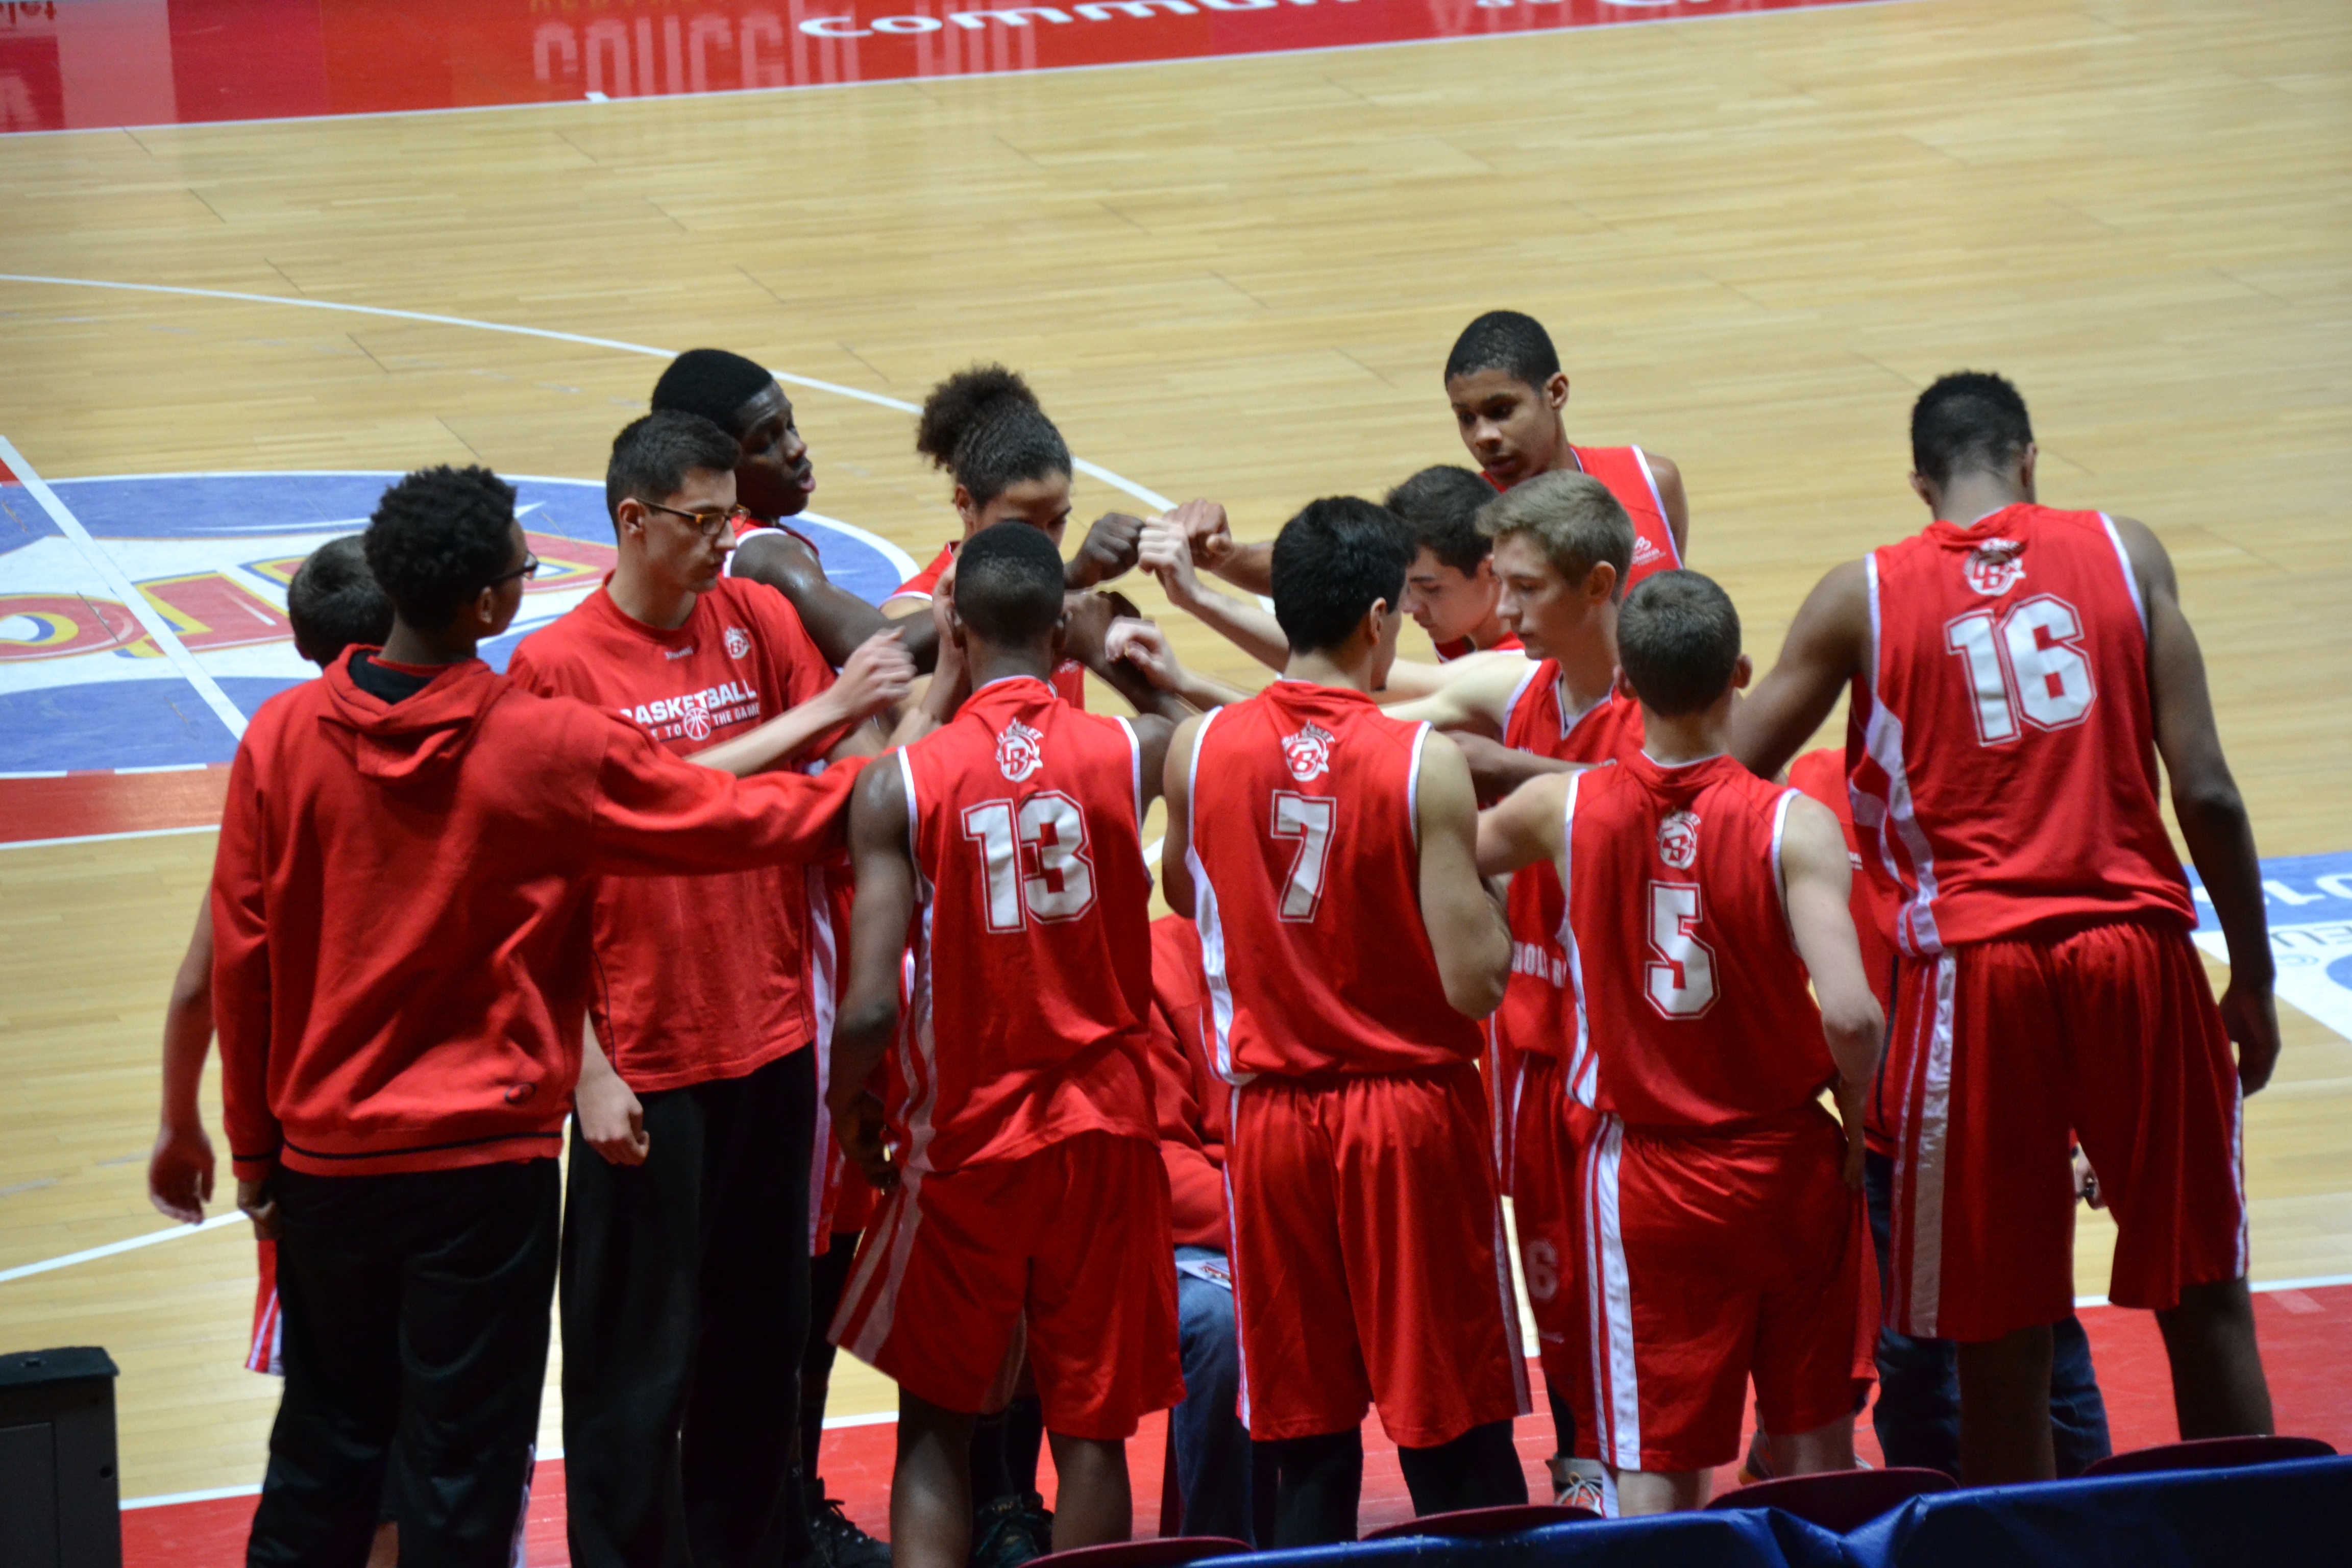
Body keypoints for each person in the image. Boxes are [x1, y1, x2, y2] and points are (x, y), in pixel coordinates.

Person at [213, 464, 870, 1568]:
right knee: (463, 1473)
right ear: (491, 608)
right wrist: (887, 783)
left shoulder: (279, 737)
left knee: (320, 1457)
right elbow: (724, 819)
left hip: (328, 1165)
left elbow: (243, 959)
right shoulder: (541, 744)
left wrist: (249, 1148)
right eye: (524, 565)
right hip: (482, 1176)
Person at [1730, 371, 2277, 1485]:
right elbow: (2209, 793)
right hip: (2140, 951)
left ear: (1921, 482)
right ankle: (2263, 1527)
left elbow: (1733, 769)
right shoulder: (2128, 553)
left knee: (2000, 1329)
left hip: (1974, 976)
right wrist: (2253, 982)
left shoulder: (1863, 593)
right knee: (2208, 1299)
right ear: (2030, 459)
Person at [503, 412, 915, 1568]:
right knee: (635, 1368)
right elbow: (571, 856)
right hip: (647, 1056)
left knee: (760, 1345)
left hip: (774, 1036)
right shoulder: (556, 667)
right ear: (631, 521)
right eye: (701, 519)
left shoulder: (759, 618)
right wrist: (588, 1066)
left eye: (732, 513)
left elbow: (838, 787)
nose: (727, 538)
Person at [1160, 498, 1526, 1548]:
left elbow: (1189, 899)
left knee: (1306, 1437)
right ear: (1379, 617)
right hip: (1406, 1123)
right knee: (1453, 1427)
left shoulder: (1199, 748)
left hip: (1270, 1126)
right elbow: (1475, 984)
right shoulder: (1424, 762)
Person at [1478, 570, 1881, 1514]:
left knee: (1655, 1456)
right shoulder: (1794, 823)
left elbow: (1438, 848)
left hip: (1645, 1176)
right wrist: (1854, 1119)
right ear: (1738, 673)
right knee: (1814, 1439)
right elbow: (1853, 1015)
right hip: (1784, 1158)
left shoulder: (1563, 810)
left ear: (1623, 680)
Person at [826, 522, 1184, 1568]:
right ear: (1062, 627)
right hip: (1107, 1133)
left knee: (939, 1425)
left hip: (970, 1141)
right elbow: (1203, 735)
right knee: (1091, 1433)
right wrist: (1141, 670)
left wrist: (856, 1109)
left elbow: (867, 1011)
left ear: (954, 627)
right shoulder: (1131, 750)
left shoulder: (904, 782)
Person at [1380, 472, 1648, 1507]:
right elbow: (1366, 698)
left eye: (1527, 590)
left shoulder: (1659, 688)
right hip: (1536, 1051)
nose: (1508, 607)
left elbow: (1677, 795)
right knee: (1565, 1296)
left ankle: (1649, 1487)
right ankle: (1586, 1472)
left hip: (1628, 1056)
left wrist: (1514, 770)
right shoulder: (1521, 681)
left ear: (1595, 588)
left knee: (1633, 1297)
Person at [146, 536, 400, 1567]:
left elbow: (207, 980)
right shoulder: (475, 739)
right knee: (422, 1426)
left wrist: (184, 1122)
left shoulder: (281, 755)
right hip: (450, 1142)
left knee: (336, 1422)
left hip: (315, 1143)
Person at [1781, 749, 2116, 1484]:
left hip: (2005, 1127)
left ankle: (2093, 1519)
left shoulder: (2017, 794)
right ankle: (1933, 1524)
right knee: (1910, 1356)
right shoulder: (1811, 788)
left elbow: (2078, 952)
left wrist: (2091, 1124)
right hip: (1883, 1142)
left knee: (2048, 1343)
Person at [1159, 308, 1687, 606]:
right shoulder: (1458, 521)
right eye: (1465, 417)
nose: (1483, 436)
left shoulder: (1652, 480)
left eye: (1501, 410)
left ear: (1556, 392)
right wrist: (1223, 556)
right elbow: (1324, 562)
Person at [882, 364, 1146, 707]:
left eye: (1057, 522)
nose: (1042, 543)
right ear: (966, 505)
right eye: (1021, 525)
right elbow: (925, 738)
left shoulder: (1067, 599)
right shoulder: (910, 609)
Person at [1144, 914, 1270, 1547]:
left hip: (1323, 1213)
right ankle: (1220, 1550)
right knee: (1218, 1328)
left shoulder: (1329, 935)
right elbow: (1161, 1159)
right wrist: (1274, 1225)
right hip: (1215, 1232)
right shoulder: (1158, 957)